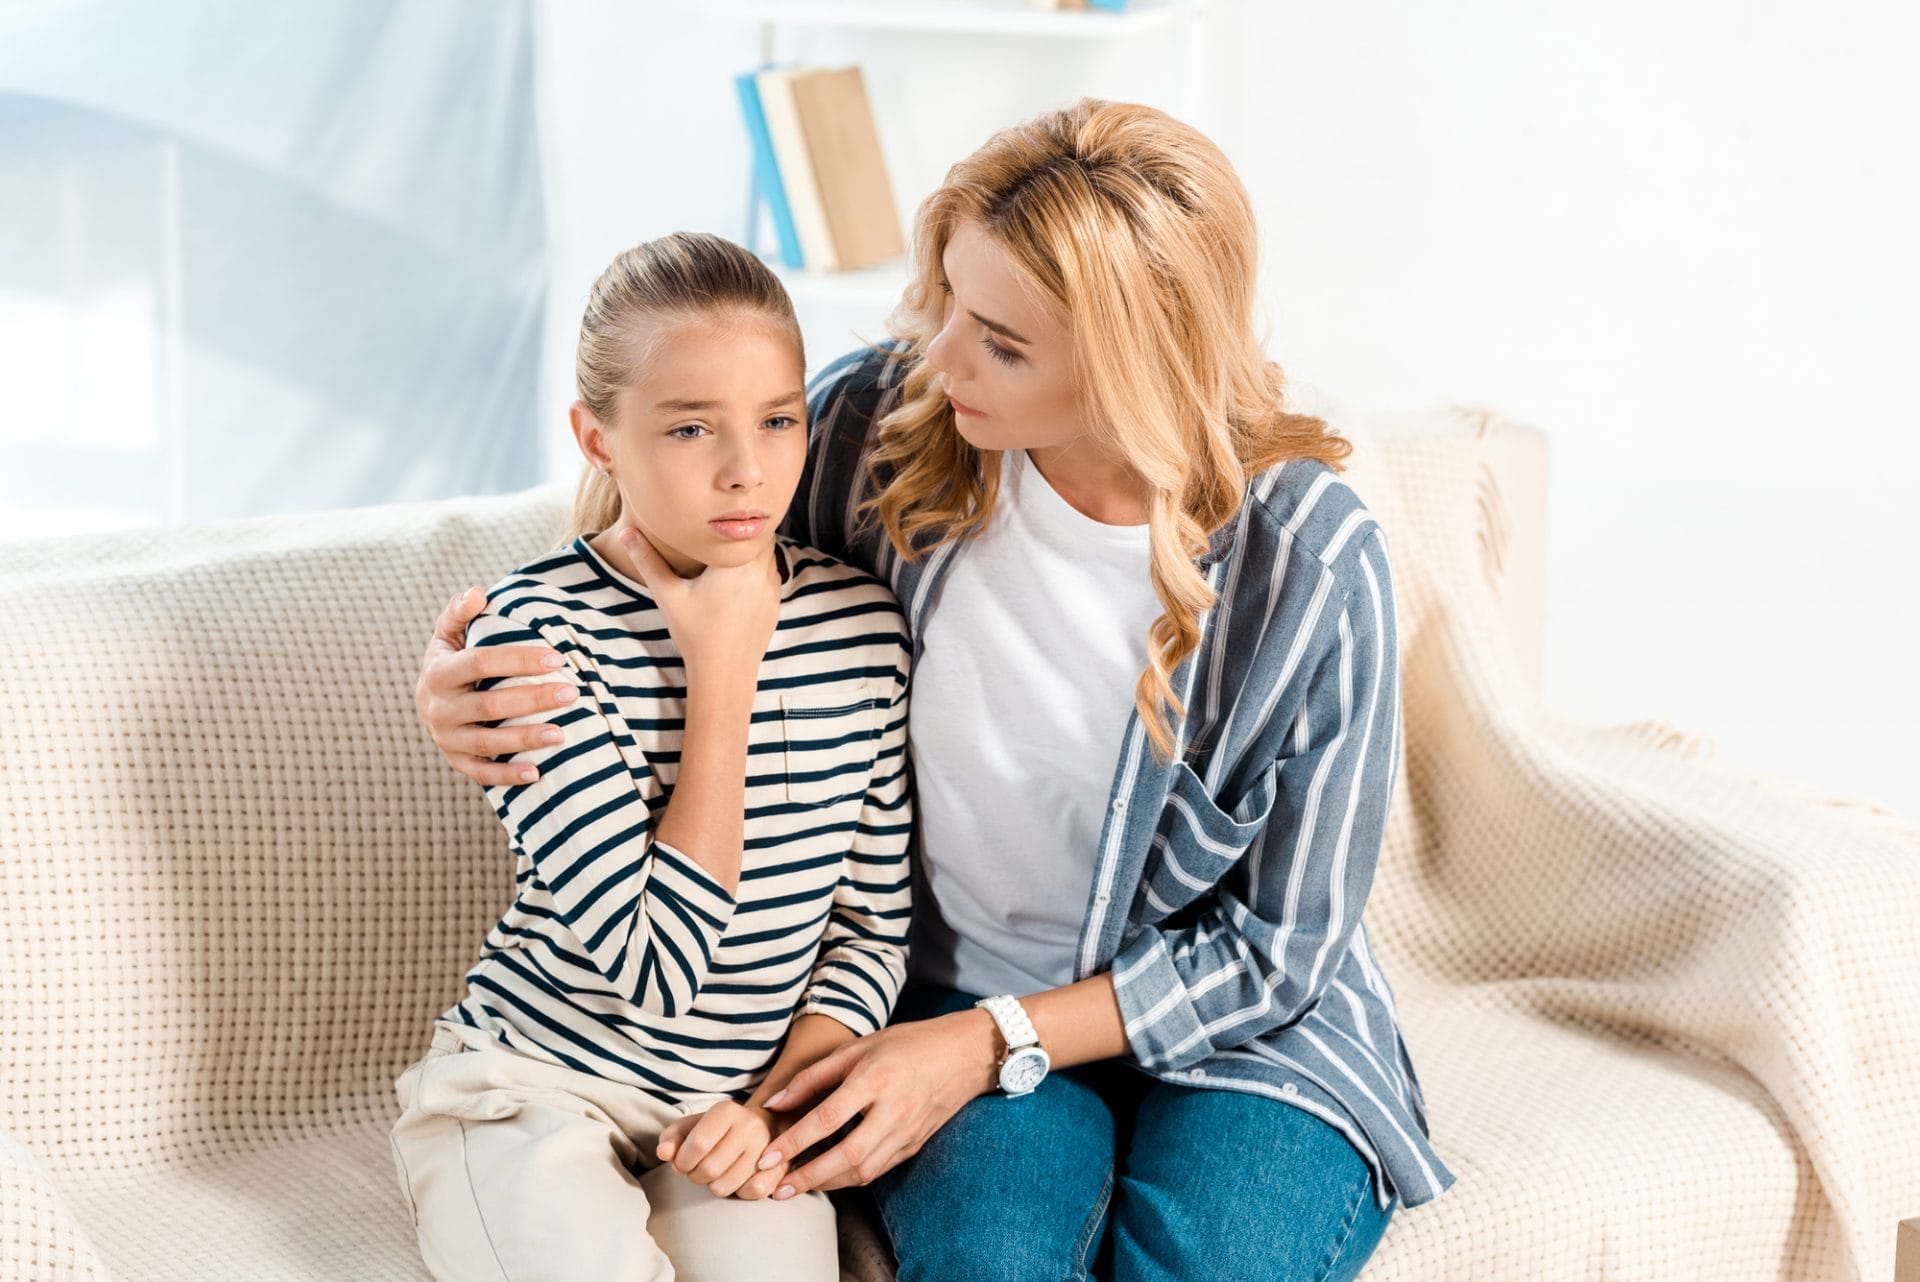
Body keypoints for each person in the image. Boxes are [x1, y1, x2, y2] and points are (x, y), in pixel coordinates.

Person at [416, 99, 1456, 1281]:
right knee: (985, 1264)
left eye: (1002, 343)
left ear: (1133, 363)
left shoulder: (1308, 565)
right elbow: (669, 535)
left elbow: (1278, 948)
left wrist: (982, 1044)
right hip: (942, 999)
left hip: (1238, 1035)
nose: (942, 356)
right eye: (952, 298)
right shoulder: (876, 429)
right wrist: (471, 675)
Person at [391, 231, 914, 1282]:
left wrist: (771, 1114)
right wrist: (724, 665)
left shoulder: (861, 627)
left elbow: (870, 930)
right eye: (689, 428)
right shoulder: (533, 641)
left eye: (777, 420)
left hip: (727, 1111)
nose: (746, 469)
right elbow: (656, 970)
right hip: (531, 1090)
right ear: (598, 438)